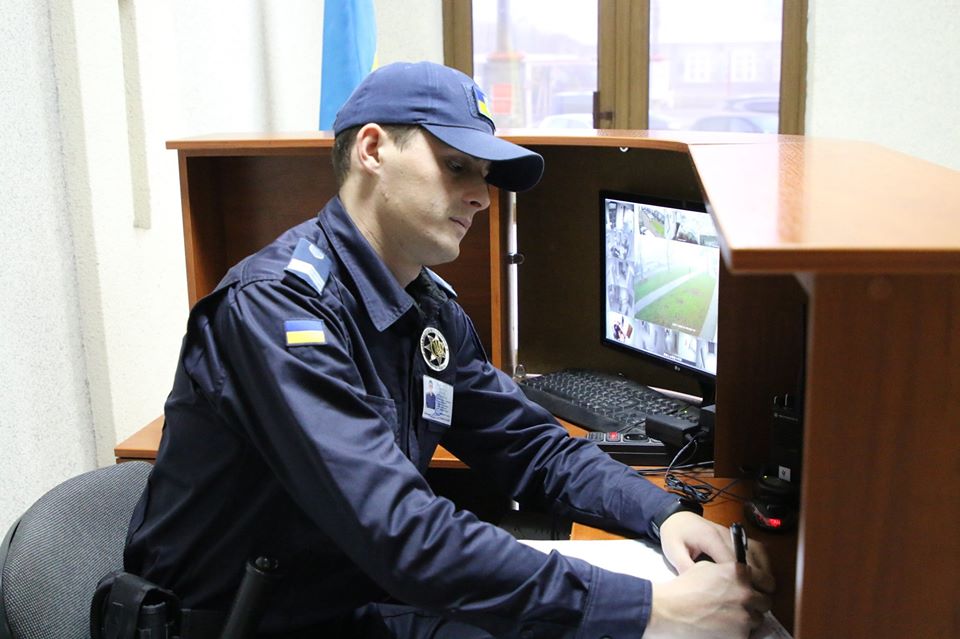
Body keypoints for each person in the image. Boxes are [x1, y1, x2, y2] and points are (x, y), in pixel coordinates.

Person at [124, 61, 773, 638]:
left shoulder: (425, 308)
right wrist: (648, 610)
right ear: (372, 150)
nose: (482, 197)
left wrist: (664, 514)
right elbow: (400, 531)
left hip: (352, 598)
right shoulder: (277, 311)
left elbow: (531, 447)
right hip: (247, 623)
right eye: (457, 166)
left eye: (484, 177)